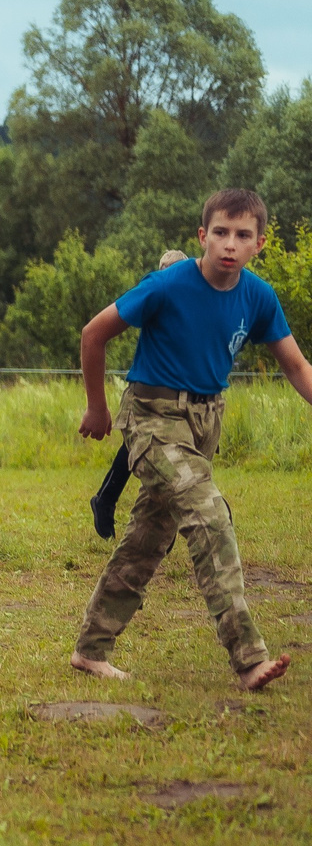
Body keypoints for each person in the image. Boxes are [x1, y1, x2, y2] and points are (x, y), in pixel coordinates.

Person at [69, 188, 311, 690]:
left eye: (243, 235)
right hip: (152, 417)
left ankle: (90, 650)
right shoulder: (167, 285)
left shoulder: (259, 297)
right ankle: (249, 659)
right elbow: (94, 334)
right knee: (209, 514)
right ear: (203, 236)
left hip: (204, 424)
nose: (230, 243)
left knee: (147, 539)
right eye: (220, 232)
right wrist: (96, 407)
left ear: (259, 244)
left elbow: (298, 369)